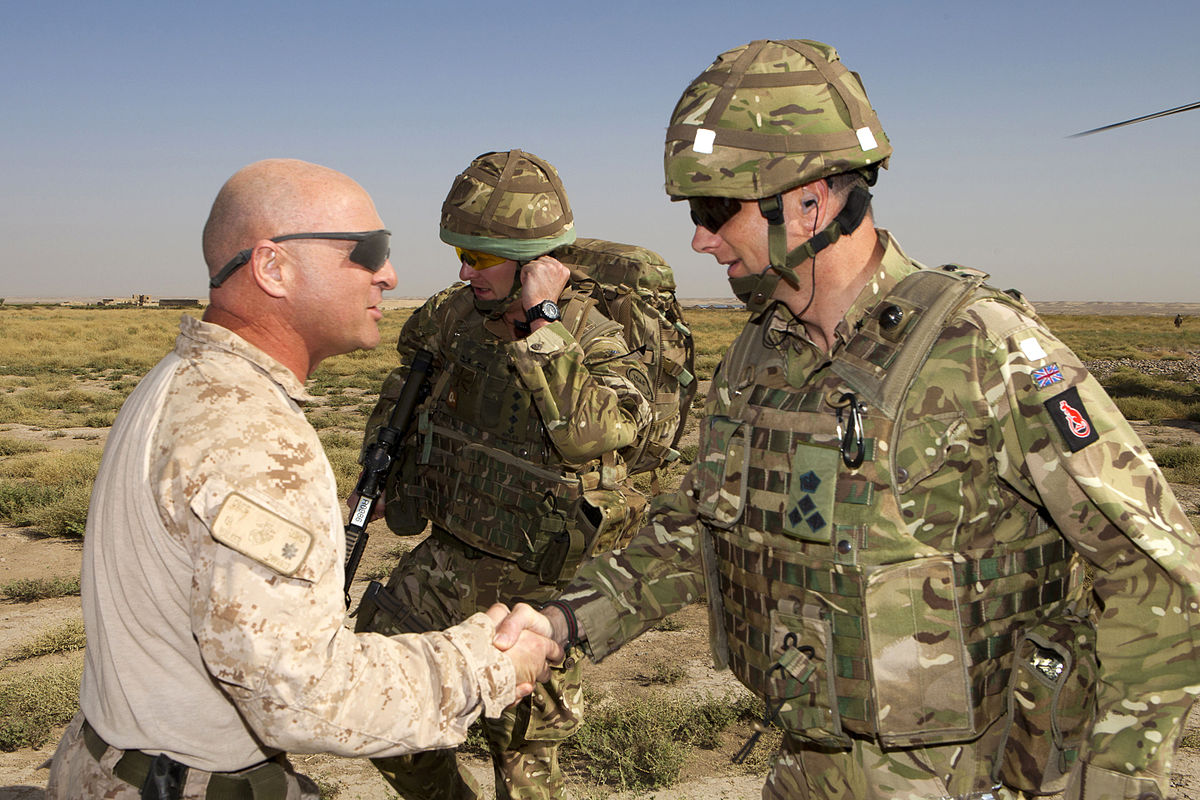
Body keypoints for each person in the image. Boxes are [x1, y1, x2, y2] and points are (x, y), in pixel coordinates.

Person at [523, 39, 1200, 800]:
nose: (699, 238)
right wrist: (560, 625)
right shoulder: (755, 358)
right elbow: (695, 530)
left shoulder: (984, 349)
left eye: (716, 210)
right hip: (806, 771)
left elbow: (1159, 575)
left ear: (812, 201)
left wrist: (1105, 782)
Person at [45, 158, 562, 800]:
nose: (389, 275)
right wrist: (492, 662)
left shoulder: (184, 381)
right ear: (272, 267)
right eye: (367, 252)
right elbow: (301, 692)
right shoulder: (251, 437)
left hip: (117, 762)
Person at [353, 149, 653, 800]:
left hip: (538, 586)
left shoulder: (592, 337)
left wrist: (541, 326)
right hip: (452, 553)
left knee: (524, 770)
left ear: (537, 260)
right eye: (461, 252)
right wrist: (378, 478)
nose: (465, 270)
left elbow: (603, 435)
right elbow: (403, 396)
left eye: (481, 257)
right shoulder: (448, 316)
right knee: (382, 712)